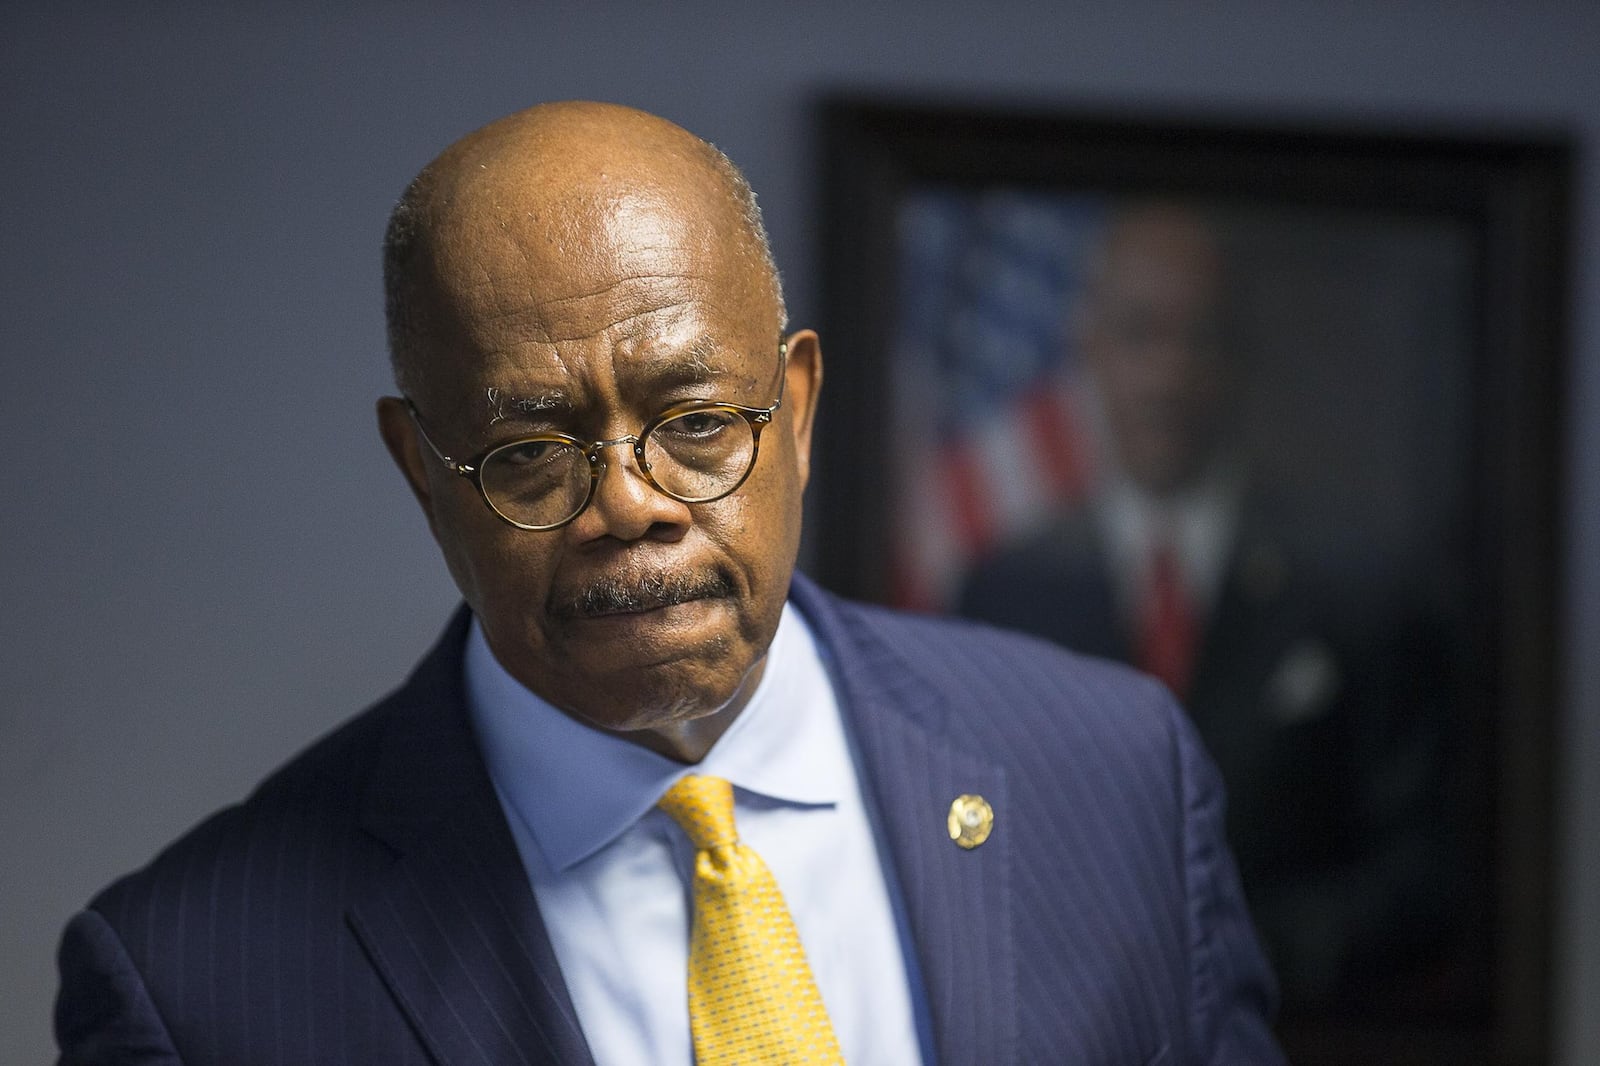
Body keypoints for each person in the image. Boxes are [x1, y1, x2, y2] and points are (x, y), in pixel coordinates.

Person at [55, 103, 1284, 1064]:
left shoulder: (1115, 775)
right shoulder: (190, 977)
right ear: (422, 473)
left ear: (795, 408)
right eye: (530, 452)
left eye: (696, 422)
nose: (630, 504)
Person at [960, 204, 1460, 1013]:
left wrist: (1241, 953)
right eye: (1141, 335)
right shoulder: (1008, 589)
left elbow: (1425, 873)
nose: (1170, 375)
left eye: (1201, 338)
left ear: (1241, 358)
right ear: (1090, 349)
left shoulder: (1358, 592)